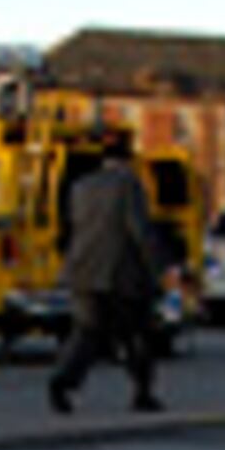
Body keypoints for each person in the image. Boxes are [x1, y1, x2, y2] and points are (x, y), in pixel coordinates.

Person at [47, 129, 164, 415]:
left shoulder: (81, 187)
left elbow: (73, 227)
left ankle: (62, 381)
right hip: (120, 274)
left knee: (86, 331)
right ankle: (143, 392)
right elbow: (139, 231)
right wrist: (159, 267)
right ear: (127, 157)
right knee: (137, 333)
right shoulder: (129, 185)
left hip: (83, 270)